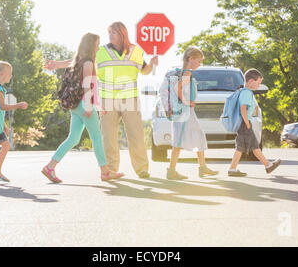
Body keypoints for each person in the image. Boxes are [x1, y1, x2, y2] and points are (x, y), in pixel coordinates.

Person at [42, 33, 124, 183]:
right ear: (91, 45)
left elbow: (69, 63)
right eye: (97, 44)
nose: (99, 47)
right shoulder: (88, 63)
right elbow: (87, 85)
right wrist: (89, 106)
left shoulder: (78, 60)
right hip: (84, 104)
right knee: (97, 138)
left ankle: (50, 167)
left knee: (73, 138)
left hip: (75, 105)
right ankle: (105, 172)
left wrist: (56, 64)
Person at [96, 22, 158, 178]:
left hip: (130, 99)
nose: (110, 35)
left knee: (136, 135)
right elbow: (81, 61)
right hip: (107, 101)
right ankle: (110, 169)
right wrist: (59, 64)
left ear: (123, 34)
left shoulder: (135, 51)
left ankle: (141, 169)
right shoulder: (100, 51)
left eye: (114, 33)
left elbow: (144, 71)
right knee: (108, 137)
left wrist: (151, 64)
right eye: (109, 32)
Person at [167, 47, 218, 180]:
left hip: (183, 113)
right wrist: (187, 102)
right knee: (181, 140)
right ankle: (173, 170)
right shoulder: (186, 73)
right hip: (185, 113)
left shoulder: (184, 72)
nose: (199, 64)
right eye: (198, 61)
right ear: (190, 59)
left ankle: (201, 167)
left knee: (193, 137)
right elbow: (177, 88)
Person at [228, 68, 281, 177]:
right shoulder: (247, 93)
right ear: (251, 81)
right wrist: (247, 123)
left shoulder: (242, 91)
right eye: (258, 83)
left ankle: (232, 169)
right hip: (245, 123)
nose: (259, 86)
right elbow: (243, 109)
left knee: (242, 147)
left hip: (243, 123)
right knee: (253, 146)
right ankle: (268, 165)